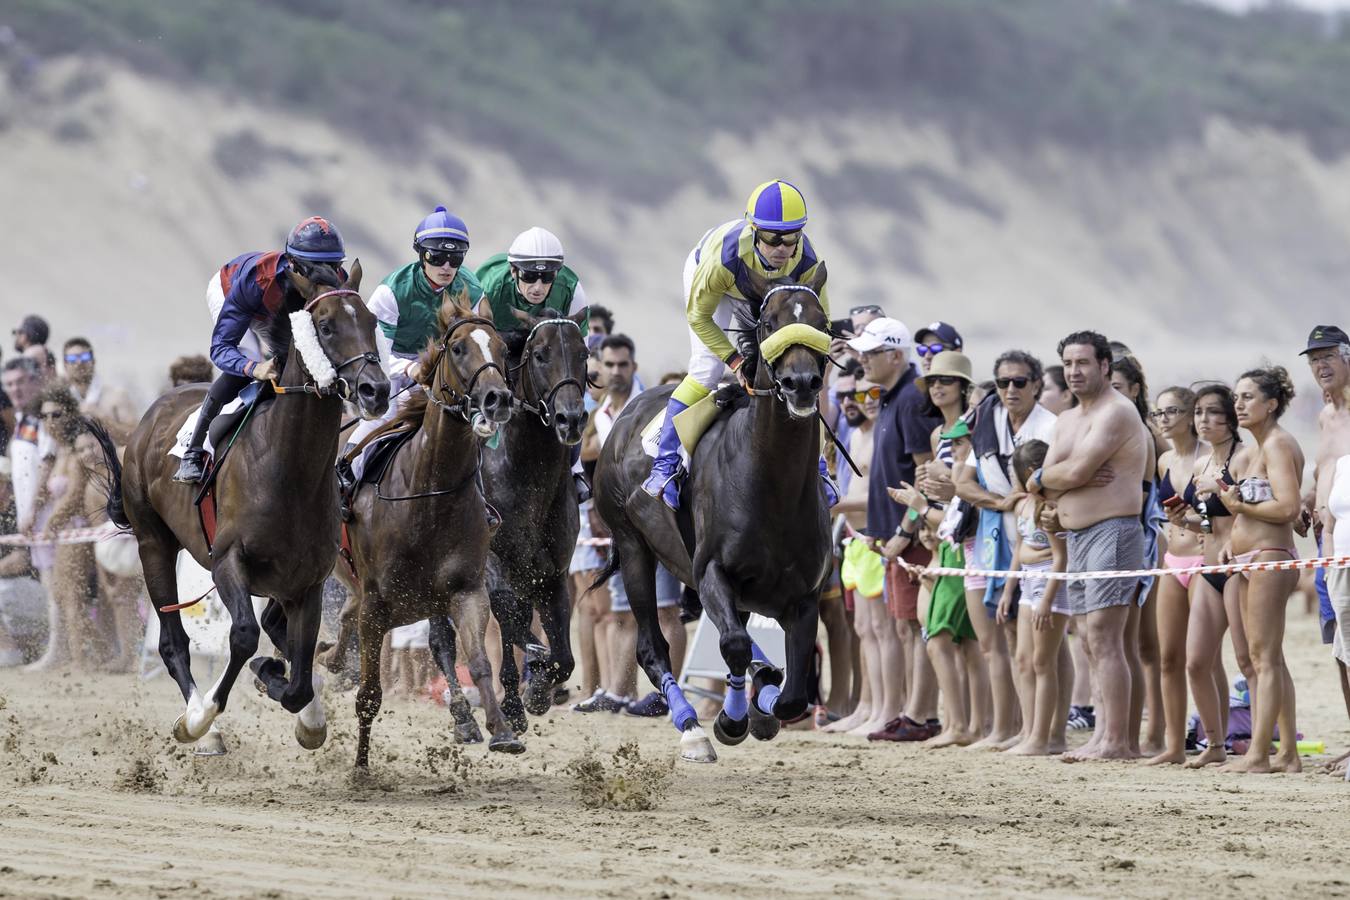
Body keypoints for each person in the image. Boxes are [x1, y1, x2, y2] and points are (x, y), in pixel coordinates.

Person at [642, 179, 832, 509]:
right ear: (755, 230)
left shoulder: (807, 261)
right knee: (707, 371)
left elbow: (821, 323)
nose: (782, 248)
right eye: (772, 238)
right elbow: (699, 318)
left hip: (771, 293)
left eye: (791, 237)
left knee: (800, 376)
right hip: (721, 283)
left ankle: (818, 467)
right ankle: (665, 465)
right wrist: (733, 361)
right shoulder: (723, 261)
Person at [1030, 330, 1147, 762]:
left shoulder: (1116, 411)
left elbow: (1075, 471)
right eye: (1067, 364)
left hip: (1112, 530)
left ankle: (1117, 740)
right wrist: (1044, 480)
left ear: (1104, 365)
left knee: (1105, 635)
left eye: (1082, 363)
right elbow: (1041, 481)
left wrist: (1054, 478)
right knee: (1087, 639)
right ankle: (1102, 735)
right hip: (1073, 536)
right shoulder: (1066, 419)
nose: (1074, 371)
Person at [174, 216, 348, 483]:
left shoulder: (338, 280)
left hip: (282, 306)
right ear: (294, 264)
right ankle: (193, 452)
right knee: (251, 359)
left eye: (333, 266)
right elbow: (221, 347)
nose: (326, 275)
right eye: (316, 268)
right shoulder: (256, 281)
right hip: (235, 292)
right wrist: (254, 368)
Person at [954, 349, 1058, 750]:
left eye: (1019, 382)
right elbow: (963, 482)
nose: (1010, 389)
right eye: (1002, 382)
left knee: (1046, 648)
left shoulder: (1051, 426)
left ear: (1036, 385)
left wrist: (1026, 503)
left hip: (1042, 542)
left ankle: (1048, 733)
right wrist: (1002, 503)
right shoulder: (988, 421)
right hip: (1001, 539)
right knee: (1012, 642)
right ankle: (1018, 729)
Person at [849, 317, 942, 742]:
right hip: (892, 534)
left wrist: (906, 529)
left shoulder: (911, 399)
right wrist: (880, 527)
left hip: (913, 535)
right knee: (904, 626)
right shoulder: (892, 396)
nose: (863, 360)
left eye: (871, 353)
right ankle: (913, 711)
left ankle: (920, 716)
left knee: (916, 625)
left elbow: (926, 472)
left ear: (895, 355)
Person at [341, 206, 483, 477]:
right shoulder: (392, 291)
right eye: (436, 257)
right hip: (391, 364)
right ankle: (347, 476)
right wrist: (409, 368)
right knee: (382, 417)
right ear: (421, 254)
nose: (446, 267)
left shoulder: (472, 290)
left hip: (439, 367)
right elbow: (376, 351)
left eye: (455, 258)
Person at [1217, 366, 1304, 775]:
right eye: (1236, 396)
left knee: (1263, 657)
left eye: (1248, 397)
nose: (1238, 404)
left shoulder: (1279, 444)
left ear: (1271, 404)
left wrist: (1239, 507)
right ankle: (1287, 752)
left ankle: (1258, 754)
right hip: (1247, 557)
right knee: (1264, 658)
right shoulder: (1256, 449)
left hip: (1270, 556)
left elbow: (1288, 507)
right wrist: (1231, 537)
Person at [1169, 384, 1247, 768]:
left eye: (1213, 412)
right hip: (1208, 566)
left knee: (1251, 662)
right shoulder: (1201, 464)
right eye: (1198, 412)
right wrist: (1183, 520)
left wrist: (1224, 491)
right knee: (1196, 661)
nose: (1203, 420)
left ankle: (1280, 747)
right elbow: (1208, 521)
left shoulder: (1245, 457)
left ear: (1230, 417)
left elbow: (1254, 508)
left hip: (1239, 567)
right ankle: (1215, 744)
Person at [1146, 386, 1211, 766]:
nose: (1164, 419)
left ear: (1191, 415)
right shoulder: (1165, 460)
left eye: (1172, 411)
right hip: (1173, 559)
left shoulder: (1209, 458)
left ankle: (1215, 740)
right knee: (1168, 656)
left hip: (1203, 559)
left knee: (1202, 659)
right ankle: (1173, 745)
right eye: (1159, 413)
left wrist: (1193, 520)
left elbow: (1220, 516)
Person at [999, 439, 1073, 756]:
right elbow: (1019, 549)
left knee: (1044, 661)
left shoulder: (1049, 507)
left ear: (1029, 472)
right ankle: (1030, 731)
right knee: (1024, 659)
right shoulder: (1023, 505)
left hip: (1047, 581)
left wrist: (1047, 599)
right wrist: (1008, 590)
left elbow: (1060, 556)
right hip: (1028, 581)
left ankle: (1043, 736)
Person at [823, 377, 886, 736]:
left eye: (864, 394)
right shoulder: (855, 434)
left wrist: (835, 505)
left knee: (882, 631)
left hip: (876, 540)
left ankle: (884, 709)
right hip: (855, 540)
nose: (853, 401)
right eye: (845, 395)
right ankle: (867, 707)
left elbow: (885, 493)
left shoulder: (881, 434)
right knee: (863, 629)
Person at [1109, 355, 1165, 756]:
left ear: (1134, 390)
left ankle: (1154, 731)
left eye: (1117, 387)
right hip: (1129, 540)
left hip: (1147, 540)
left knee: (1145, 644)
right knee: (1127, 643)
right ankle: (1134, 731)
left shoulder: (1147, 433)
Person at [1304, 325, 1350, 775]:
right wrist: (1309, 499)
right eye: (1314, 359)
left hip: (1346, 543)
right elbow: (1326, 470)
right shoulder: (1325, 415)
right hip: (1325, 542)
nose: (1320, 366)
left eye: (1328, 356)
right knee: (1339, 643)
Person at [25, 384, 97, 671]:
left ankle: (81, 660)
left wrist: (53, 522)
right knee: (60, 593)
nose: (50, 421)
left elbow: (75, 494)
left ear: (69, 414)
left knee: (72, 595)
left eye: (56, 415)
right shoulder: (57, 452)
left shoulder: (76, 447)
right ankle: (86, 654)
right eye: (44, 416)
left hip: (74, 529)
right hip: (61, 531)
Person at [476, 226, 589, 333]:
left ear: (557, 273)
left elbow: (582, 343)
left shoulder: (572, 290)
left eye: (547, 277)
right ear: (513, 271)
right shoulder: (489, 289)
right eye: (529, 276)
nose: (538, 288)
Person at [60, 337, 139, 445]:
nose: (79, 362)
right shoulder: (63, 401)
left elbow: (136, 439)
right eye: (72, 359)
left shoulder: (116, 395)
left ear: (93, 361)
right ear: (65, 365)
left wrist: (102, 418)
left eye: (84, 357)